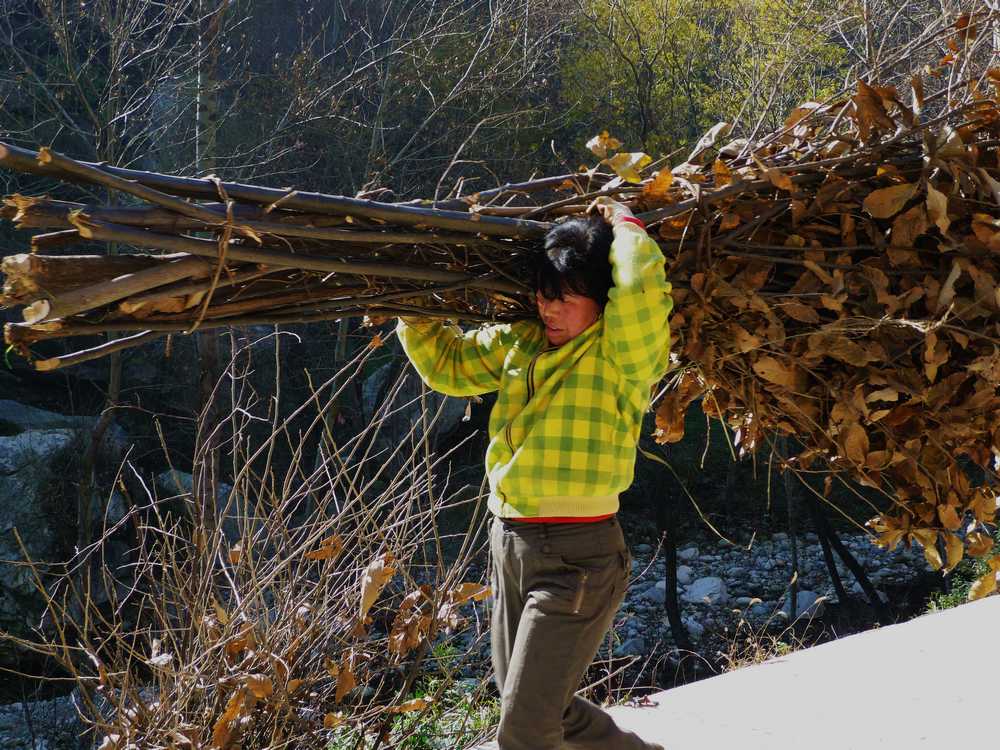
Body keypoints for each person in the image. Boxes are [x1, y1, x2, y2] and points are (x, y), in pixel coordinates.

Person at [396, 197, 672, 750]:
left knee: (525, 729)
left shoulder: (620, 354)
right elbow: (449, 366)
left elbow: (642, 289)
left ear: (600, 301)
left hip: (579, 557)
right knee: (549, 709)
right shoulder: (520, 343)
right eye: (544, 296)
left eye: (566, 298)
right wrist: (407, 308)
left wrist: (624, 224)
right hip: (510, 543)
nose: (550, 310)